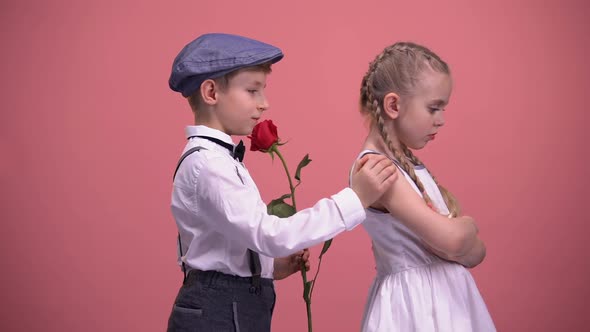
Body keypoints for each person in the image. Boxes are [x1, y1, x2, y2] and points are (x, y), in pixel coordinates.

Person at [166, 33, 397, 332]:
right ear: (211, 92)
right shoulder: (208, 165)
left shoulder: (219, 160)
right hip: (218, 309)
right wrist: (355, 198)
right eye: (252, 91)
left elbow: (228, 242)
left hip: (234, 302)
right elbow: (267, 234)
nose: (264, 104)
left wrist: (269, 267)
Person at [352, 41, 496, 331]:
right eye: (433, 108)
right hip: (417, 307)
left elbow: (475, 253)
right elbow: (454, 242)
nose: (441, 120)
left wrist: (459, 241)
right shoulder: (380, 170)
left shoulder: (405, 164)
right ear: (394, 105)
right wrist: (468, 225)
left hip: (444, 300)